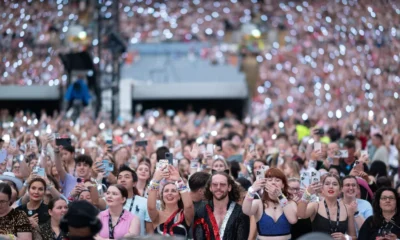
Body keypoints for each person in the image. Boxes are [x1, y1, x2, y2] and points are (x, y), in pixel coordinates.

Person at [297, 173, 357, 240]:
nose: (331, 186)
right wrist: (307, 193)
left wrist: (346, 238)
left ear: (340, 190)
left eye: (334, 184)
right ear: (322, 189)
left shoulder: (348, 209)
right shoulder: (315, 206)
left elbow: (354, 237)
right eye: (327, 184)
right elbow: (300, 214)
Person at [243, 168, 297, 240]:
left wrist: (280, 196)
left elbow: (293, 220)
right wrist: (251, 190)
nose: (273, 182)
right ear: (265, 183)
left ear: (283, 185)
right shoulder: (259, 203)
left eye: (277, 180)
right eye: (269, 180)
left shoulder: (290, 203)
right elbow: (246, 210)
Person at [193, 171, 250, 240]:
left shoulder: (240, 212)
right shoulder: (201, 212)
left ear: (229, 187)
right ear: (210, 188)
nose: (218, 187)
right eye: (214, 184)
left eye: (222, 184)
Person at [147, 165, 194, 237]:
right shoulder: (158, 215)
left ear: (179, 196)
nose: (169, 193)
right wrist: (155, 180)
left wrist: (179, 180)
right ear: (162, 196)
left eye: (173, 191)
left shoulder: (184, 215)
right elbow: (151, 207)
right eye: (166, 191)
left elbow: (188, 206)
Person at [117, 165, 152, 235]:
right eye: (120, 178)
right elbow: (96, 202)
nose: (122, 180)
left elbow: (150, 232)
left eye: (127, 177)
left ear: (134, 183)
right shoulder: (110, 200)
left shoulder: (144, 202)